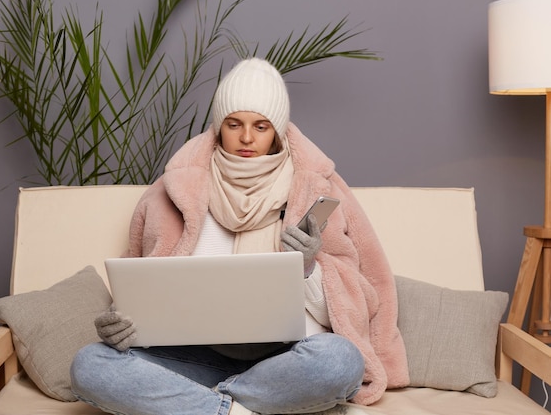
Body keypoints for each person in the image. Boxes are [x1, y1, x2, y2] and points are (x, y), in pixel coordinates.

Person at [70, 58, 409, 415]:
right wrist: (119, 323)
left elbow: (361, 297)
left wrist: (309, 269)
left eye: (261, 126)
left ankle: (192, 404)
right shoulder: (168, 192)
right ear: (219, 126)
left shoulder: (317, 190)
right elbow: (139, 285)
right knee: (89, 364)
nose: (247, 137)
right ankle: (234, 408)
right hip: (194, 357)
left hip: (287, 360)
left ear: (277, 131)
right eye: (234, 124)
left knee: (340, 361)